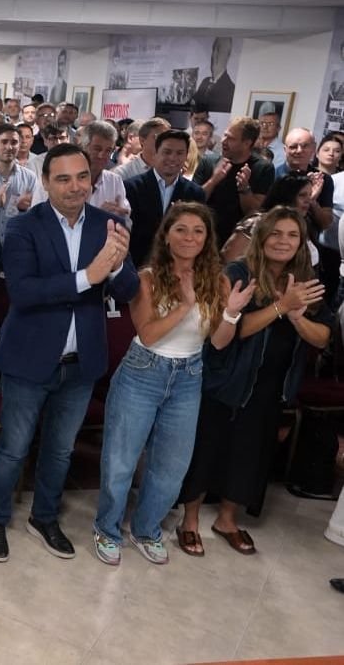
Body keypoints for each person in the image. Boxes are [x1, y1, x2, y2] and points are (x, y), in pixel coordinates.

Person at [0, 144, 140, 563]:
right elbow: (24, 292)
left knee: (60, 450)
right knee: (14, 447)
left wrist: (120, 264)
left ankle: (44, 517)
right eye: (64, 179)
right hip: (28, 359)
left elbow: (127, 292)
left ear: (92, 178)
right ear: (46, 183)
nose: (75, 187)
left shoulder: (109, 225)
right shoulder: (22, 227)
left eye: (82, 177)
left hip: (81, 361)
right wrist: (88, 277)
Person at [92, 203, 250, 565]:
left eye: (198, 230)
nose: (189, 237)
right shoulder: (146, 277)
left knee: (171, 465)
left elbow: (220, 341)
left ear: (208, 238)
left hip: (189, 376)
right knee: (121, 460)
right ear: (166, 234)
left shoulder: (218, 279)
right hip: (142, 371)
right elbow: (147, 335)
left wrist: (232, 312)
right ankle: (107, 528)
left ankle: (146, 529)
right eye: (181, 229)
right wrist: (185, 304)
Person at [177, 208, 331, 555]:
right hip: (227, 376)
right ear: (262, 236)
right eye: (276, 233)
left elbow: (322, 337)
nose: (283, 241)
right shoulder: (237, 272)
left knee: (252, 452)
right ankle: (189, 520)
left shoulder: (306, 280)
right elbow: (232, 331)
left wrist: (295, 316)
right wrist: (280, 308)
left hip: (273, 384)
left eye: (292, 235)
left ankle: (227, 520)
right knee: (207, 448)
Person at [125, 130, 208, 266]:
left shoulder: (195, 193)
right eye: (167, 152)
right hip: (137, 266)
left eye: (179, 153)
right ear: (156, 153)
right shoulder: (131, 188)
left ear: (186, 156)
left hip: (176, 269)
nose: (173, 158)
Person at [195, 116, 275, 247]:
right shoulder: (208, 162)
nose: (223, 141)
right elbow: (194, 202)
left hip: (238, 241)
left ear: (247, 143)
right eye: (225, 135)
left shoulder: (263, 168)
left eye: (231, 138)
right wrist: (214, 180)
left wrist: (244, 188)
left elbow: (255, 213)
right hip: (204, 235)